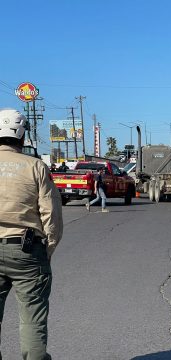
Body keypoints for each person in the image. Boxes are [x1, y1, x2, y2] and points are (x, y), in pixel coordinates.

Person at [0, 108, 63, 359]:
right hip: (26, 250)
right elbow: (51, 215)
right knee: (32, 321)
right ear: (23, 137)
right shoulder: (35, 166)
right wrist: (46, 250)